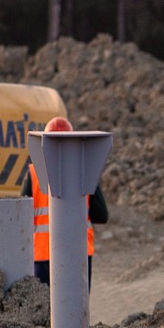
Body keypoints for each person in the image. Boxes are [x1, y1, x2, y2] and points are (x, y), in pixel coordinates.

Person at [31, 114, 102, 285]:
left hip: (42, 253)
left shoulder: (34, 172)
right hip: (79, 252)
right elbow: (102, 215)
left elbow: (19, 216)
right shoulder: (86, 170)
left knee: (41, 309)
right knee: (77, 307)